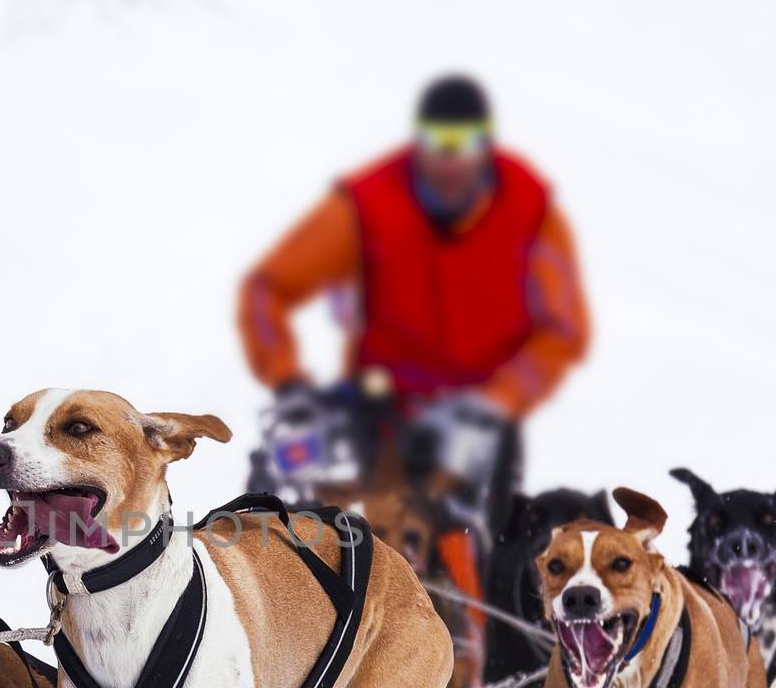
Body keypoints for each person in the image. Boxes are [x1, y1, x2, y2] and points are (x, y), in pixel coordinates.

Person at [237, 74, 591, 549]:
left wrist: (498, 402)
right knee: (342, 530)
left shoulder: (532, 211)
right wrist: (288, 382)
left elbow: (564, 330)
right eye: (436, 140)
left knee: (486, 548)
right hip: (381, 406)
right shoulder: (367, 203)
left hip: (482, 412)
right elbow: (267, 289)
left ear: (484, 144)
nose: (449, 157)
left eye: (463, 142)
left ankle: (477, 616)